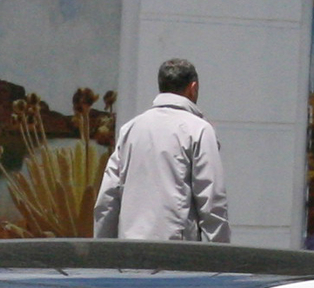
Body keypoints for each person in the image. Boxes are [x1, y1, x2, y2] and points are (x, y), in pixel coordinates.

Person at [92, 58, 229, 242]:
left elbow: (107, 200)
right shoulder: (199, 130)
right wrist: (221, 257)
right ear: (193, 87)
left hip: (130, 252)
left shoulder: (130, 129)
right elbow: (212, 202)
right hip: (175, 255)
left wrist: (103, 253)